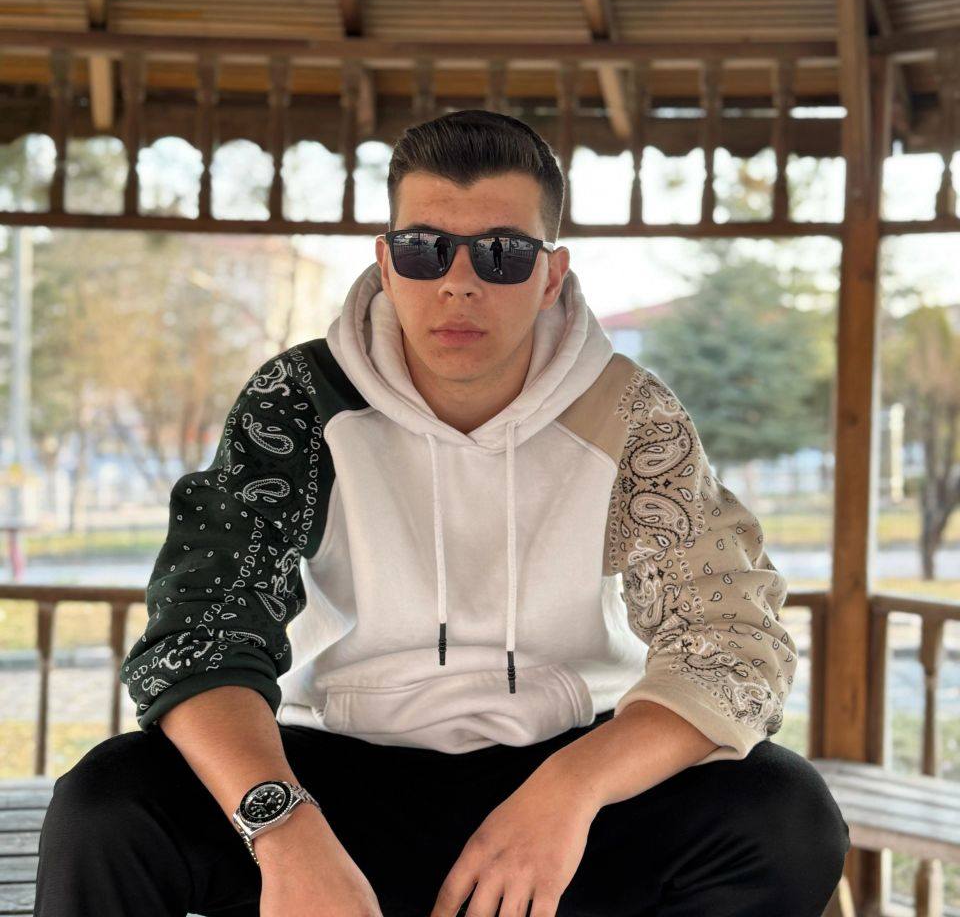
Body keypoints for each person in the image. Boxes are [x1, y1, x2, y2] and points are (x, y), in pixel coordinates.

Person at [33, 109, 850, 917]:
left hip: (559, 779)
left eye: (503, 253)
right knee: (109, 804)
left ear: (551, 276)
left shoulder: (629, 414)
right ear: (387, 264)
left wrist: (572, 788)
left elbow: (734, 645)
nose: (459, 282)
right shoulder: (299, 401)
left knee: (784, 816)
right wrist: (284, 829)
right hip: (336, 779)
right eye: (425, 249)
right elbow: (199, 635)